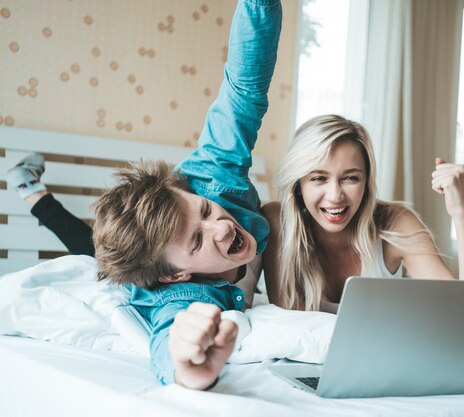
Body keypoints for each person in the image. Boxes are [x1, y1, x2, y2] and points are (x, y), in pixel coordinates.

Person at [6, 0, 281, 391]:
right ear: (177, 274)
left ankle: (31, 190)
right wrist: (190, 367)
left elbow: (243, 89)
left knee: (90, 248)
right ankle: (31, 190)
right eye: (198, 240)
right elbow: (168, 344)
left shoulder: (211, 175)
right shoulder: (181, 292)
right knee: (91, 256)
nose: (220, 225)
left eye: (204, 211)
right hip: (138, 275)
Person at [261, 114, 464, 312]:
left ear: (367, 181)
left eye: (350, 178)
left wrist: (461, 212)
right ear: (298, 185)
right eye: (319, 178)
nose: (335, 195)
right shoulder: (278, 221)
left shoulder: (396, 223)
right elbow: (289, 318)